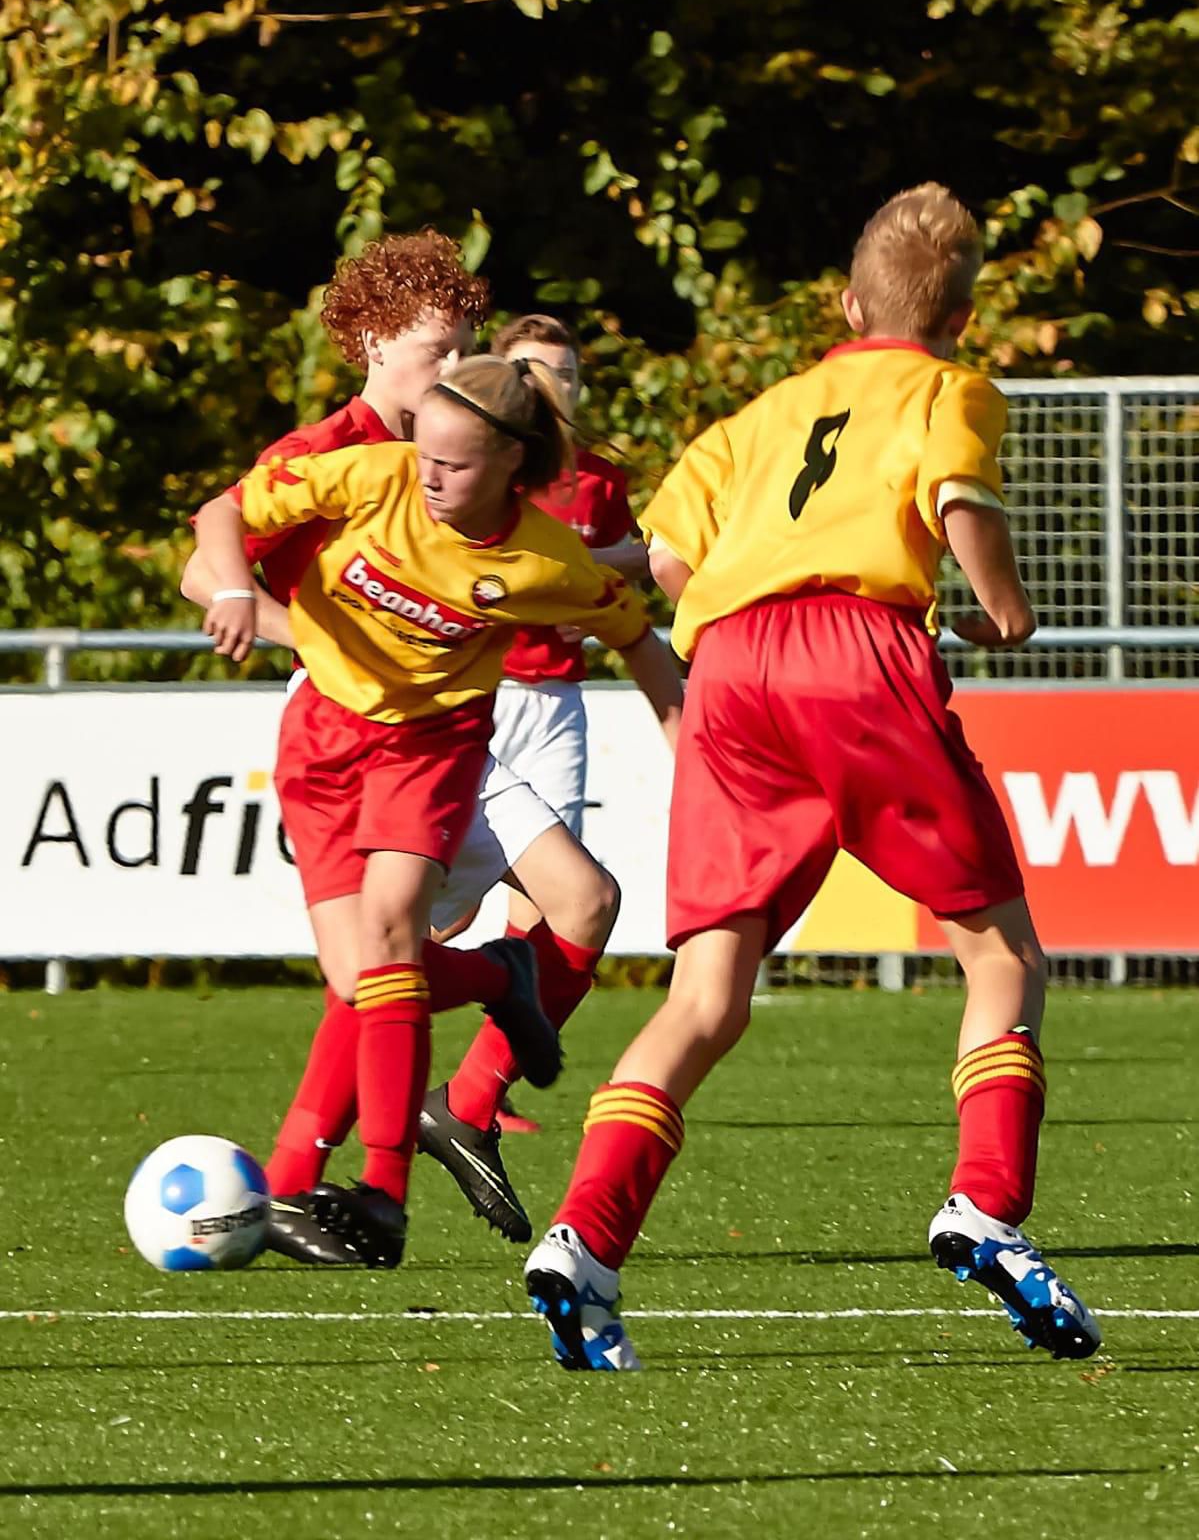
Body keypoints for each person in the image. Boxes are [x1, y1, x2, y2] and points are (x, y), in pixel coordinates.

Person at [522, 183, 1102, 1370]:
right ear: (962, 311)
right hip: (857, 655)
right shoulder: (949, 388)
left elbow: (672, 560)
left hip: (728, 670)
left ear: (845, 302)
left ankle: (582, 1238)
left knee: (703, 994)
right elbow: (956, 499)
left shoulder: (762, 410)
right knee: (999, 954)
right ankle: (984, 1202)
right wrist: (1001, 607)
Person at [191, 354, 657, 1271]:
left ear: (512, 469)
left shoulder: (536, 551)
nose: (428, 472)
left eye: (454, 462)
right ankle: (496, 976)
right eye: (425, 455)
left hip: (433, 742)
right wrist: (240, 590)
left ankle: (380, 1193)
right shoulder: (367, 467)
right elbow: (221, 515)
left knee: (405, 928)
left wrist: (695, 731)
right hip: (325, 734)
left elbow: (630, 621)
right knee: (362, 972)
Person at [417, 314, 682, 1205]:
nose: (552, 387)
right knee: (416, 940)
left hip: (549, 706)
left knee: (566, 903)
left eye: (563, 373)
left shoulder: (589, 486)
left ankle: (470, 1099)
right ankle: (345, 1147)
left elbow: (639, 567)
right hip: (455, 716)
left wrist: (582, 582)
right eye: (535, 372)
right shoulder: (411, 473)